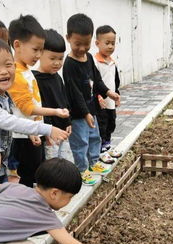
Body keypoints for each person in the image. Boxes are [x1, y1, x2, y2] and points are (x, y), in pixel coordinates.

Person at [0, 38, 69, 205]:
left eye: (8, 65)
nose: (4, 71)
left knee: (1, 207)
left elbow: (13, 118)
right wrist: (47, 129)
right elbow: (10, 122)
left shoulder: (3, 94)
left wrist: (31, 132)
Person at [7, 15, 70, 188]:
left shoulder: (25, 70)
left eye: (41, 50)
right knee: (28, 175)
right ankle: (26, 207)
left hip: (32, 131)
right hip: (23, 135)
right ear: (17, 45)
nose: (38, 55)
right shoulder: (16, 74)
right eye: (35, 50)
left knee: (34, 171)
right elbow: (27, 108)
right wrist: (55, 112)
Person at [63, 14, 120, 185]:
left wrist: (109, 92)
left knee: (95, 138)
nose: (82, 48)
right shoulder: (69, 65)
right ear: (68, 39)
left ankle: (94, 163)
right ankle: (81, 169)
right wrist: (86, 113)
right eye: (77, 44)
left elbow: (96, 81)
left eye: (86, 44)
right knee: (80, 142)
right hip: (78, 113)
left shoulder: (88, 59)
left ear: (91, 40)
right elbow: (74, 93)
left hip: (91, 109)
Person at [33, 29, 73, 162]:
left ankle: (67, 183)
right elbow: (40, 107)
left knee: (66, 161)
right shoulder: (35, 79)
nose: (57, 63)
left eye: (61, 58)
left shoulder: (57, 77)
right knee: (52, 164)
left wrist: (68, 121)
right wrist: (47, 131)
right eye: (52, 58)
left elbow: (64, 101)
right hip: (49, 133)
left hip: (62, 131)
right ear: (39, 54)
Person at [94, 25, 122, 161]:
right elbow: (93, 83)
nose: (110, 46)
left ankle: (107, 146)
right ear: (97, 43)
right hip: (101, 102)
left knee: (111, 124)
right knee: (102, 125)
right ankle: (100, 151)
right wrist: (98, 97)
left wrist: (117, 95)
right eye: (107, 43)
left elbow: (116, 81)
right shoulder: (95, 62)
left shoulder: (112, 62)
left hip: (111, 102)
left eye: (113, 43)